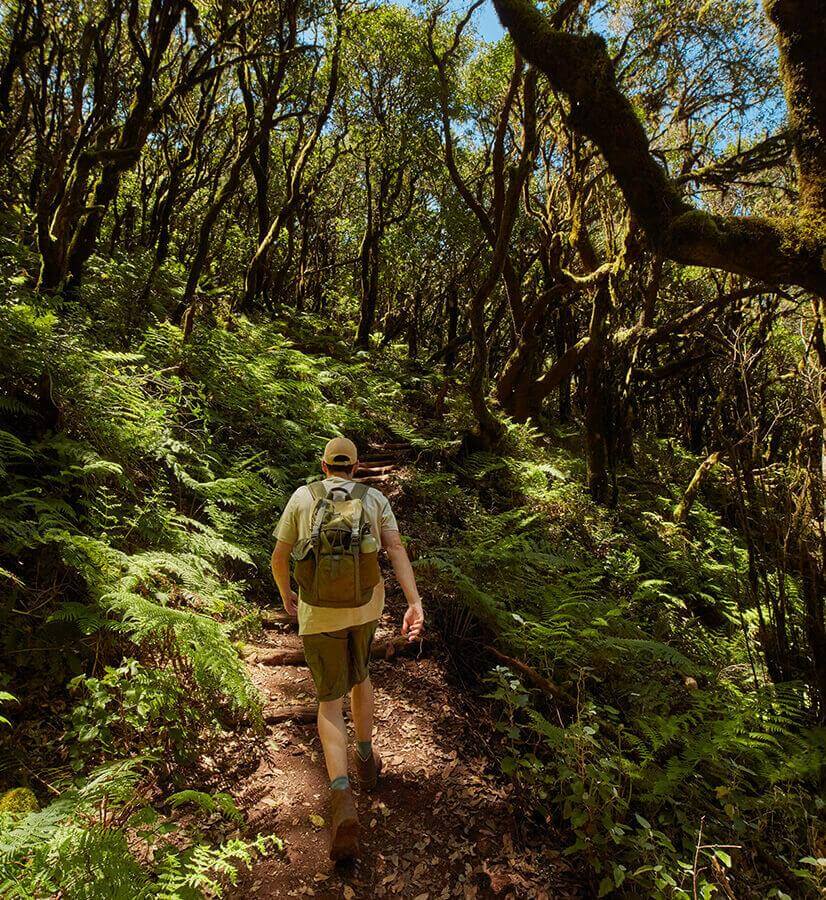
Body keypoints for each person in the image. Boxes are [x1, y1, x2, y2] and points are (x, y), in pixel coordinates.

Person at [271, 436, 425, 861]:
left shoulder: (302, 497)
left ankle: (341, 798)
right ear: (355, 468)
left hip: (318, 612)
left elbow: (279, 557)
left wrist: (287, 595)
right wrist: (413, 602)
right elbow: (395, 548)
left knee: (328, 701)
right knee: (361, 675)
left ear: (324, 466)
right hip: (364, 607)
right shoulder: (374, 499)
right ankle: (365, 756)